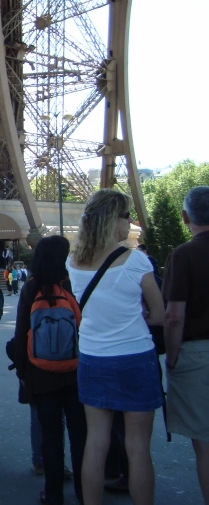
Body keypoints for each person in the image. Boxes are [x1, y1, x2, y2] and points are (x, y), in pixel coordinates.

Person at [66, 189, 165, 505]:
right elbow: (160, 313)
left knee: (96, 443)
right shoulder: (136, 260)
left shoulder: (74, 262)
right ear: (113, 219)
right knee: (137, 447)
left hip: (94, 357)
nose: (130, 223)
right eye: (126, 216)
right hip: (135, 356)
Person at [12, 235, 86, 505]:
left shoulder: (32, 287)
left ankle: (53, 494)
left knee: (51, 438)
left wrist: (23, 372)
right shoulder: (73, 283)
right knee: (81, 436)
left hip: (41, 374)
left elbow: (22, 332)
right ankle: (84, 491)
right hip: (77, 372)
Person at [163, 186, 209, 504]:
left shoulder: (183, 255)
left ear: (185, 217)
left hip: (198, 355)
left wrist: (172, 357)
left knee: (205, 444)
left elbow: (174, 316)